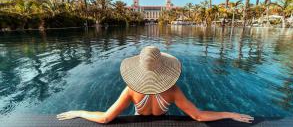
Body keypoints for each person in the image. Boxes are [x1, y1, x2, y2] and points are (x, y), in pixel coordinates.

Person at [57, 46, 254, 124]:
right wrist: (229, 113)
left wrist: (80, 112)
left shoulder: (132, 90)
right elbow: (198, 115)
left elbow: (107, 118)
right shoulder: (172, 91)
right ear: (164, 67)